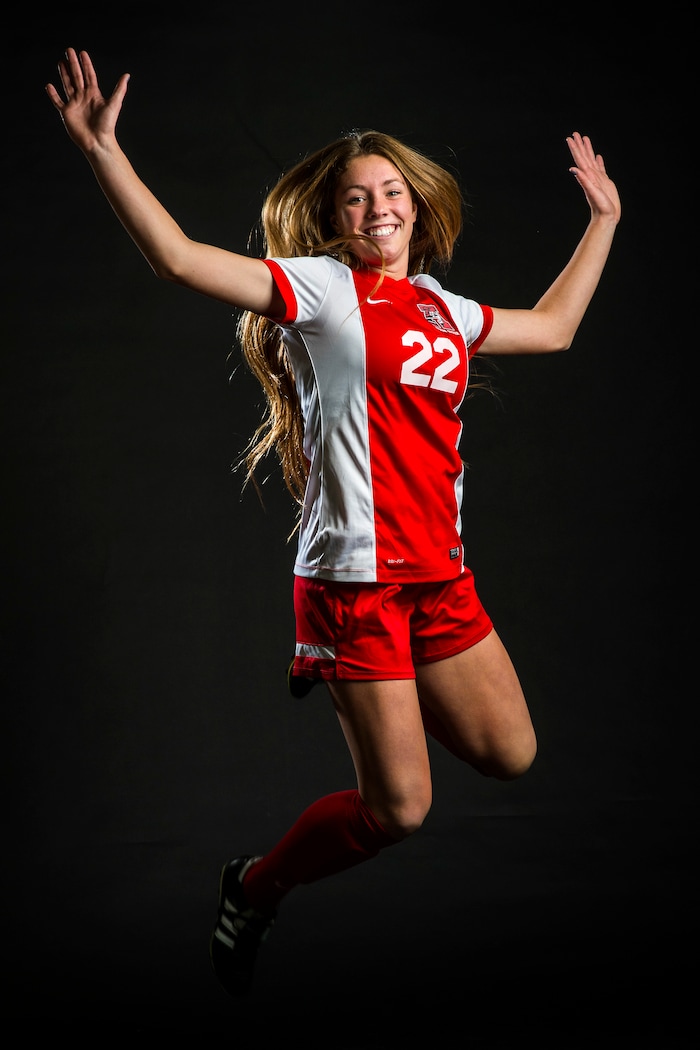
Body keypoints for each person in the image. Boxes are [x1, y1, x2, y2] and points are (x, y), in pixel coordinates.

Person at [46, 47, 622, 998]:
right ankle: (256, 887)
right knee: (400, 810)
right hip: (355, 581)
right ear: (333, 219)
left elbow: (554, 328)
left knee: (511, 754)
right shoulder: (319, 290)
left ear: (417, 205)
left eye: (391, 190)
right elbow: (180, 260)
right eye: (356, 198)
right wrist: (104, 151)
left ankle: (372, 691)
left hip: (439, 575)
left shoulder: (442, 305)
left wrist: (603, 220)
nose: (378, 207)